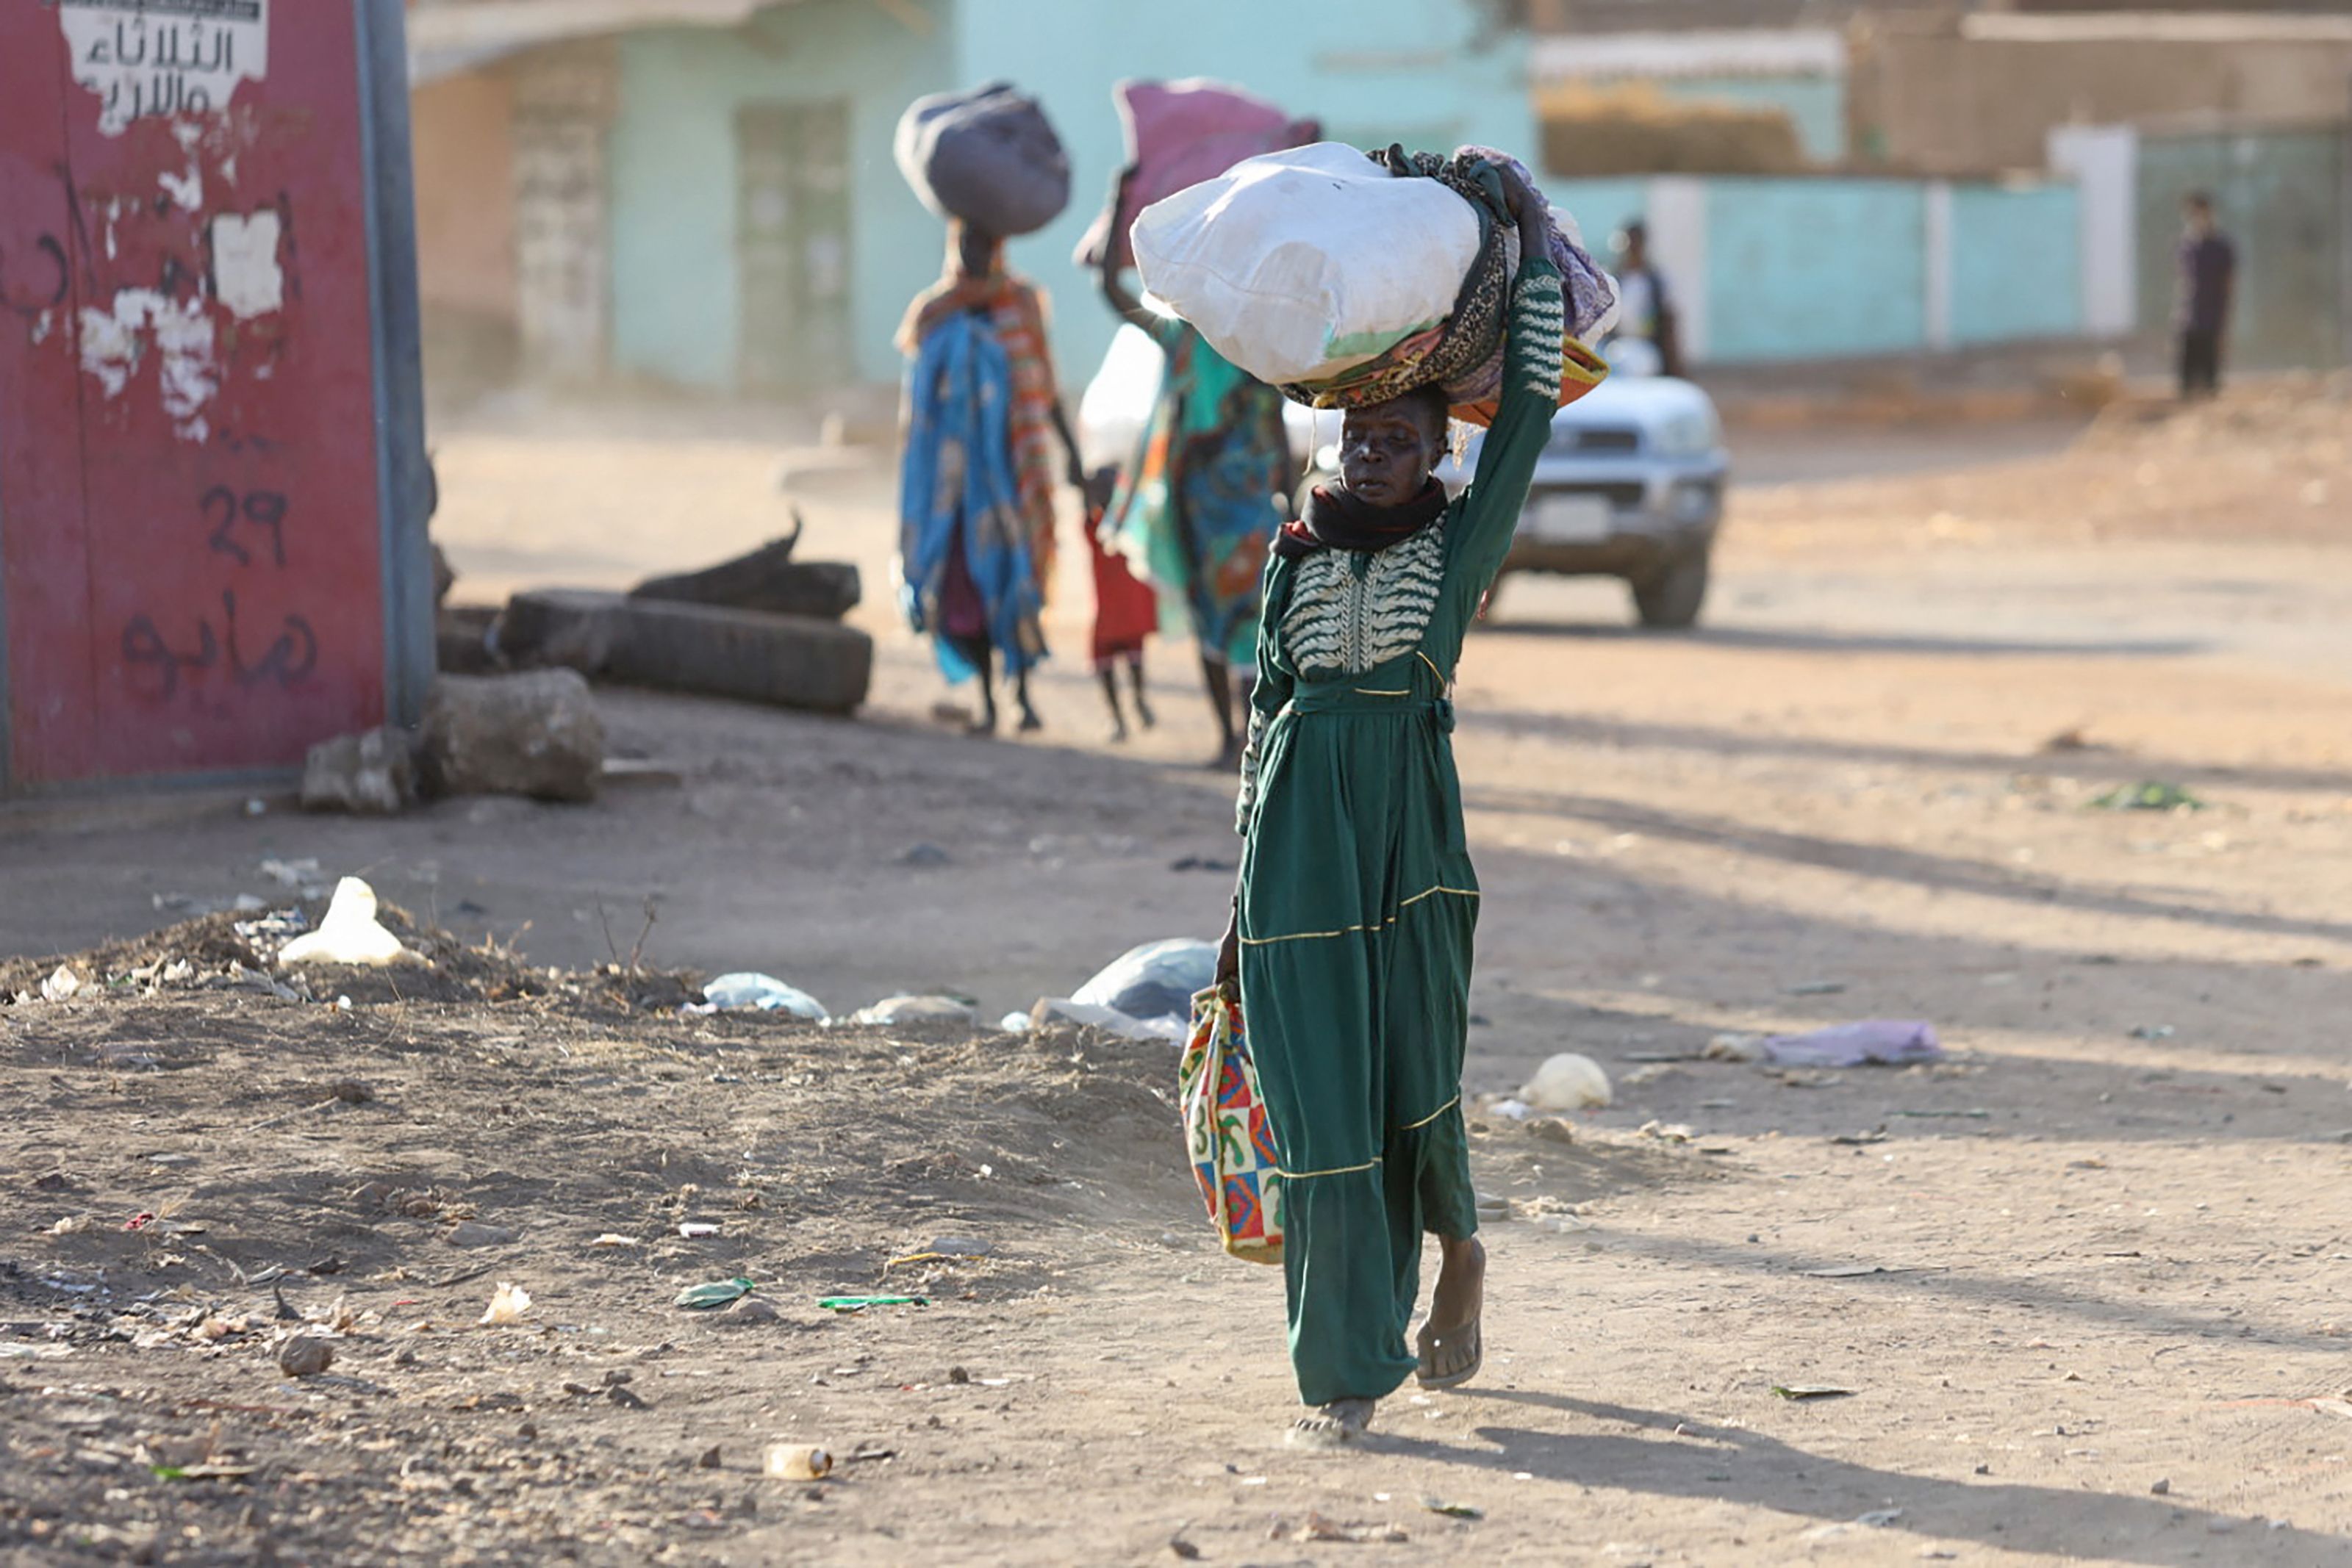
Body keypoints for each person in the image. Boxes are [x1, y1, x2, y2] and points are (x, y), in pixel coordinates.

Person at [1213, 163, 1568, 1447]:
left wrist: (1525, 250)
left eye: (1398, 440)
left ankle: (1459, 1242)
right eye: (1356, 437)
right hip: (1300, 847)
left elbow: (1528, 414)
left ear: (1434, 451)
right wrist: (1239, 899)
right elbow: (1264, 721)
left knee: (1411, 1074)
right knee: (1319, 1102)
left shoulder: (1454, 549)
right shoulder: (1290, 558)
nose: (1371, 455)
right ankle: (1345, 1368)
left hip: (1411, 835)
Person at [1097, 250, 1289, 768]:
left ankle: (1253, 740)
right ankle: (1230, 738)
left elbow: (1273, 427)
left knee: (1250, 620)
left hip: (1248, 511)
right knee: (1211, 622)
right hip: (1196, 510)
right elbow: (1114, 295)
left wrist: (1289, 505)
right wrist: (1118, 215)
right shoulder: (1183, 340)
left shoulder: (1254, 351)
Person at [898, 222, 1088, 734]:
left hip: (1016, 476)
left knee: (1018, 577)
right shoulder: (934, 313)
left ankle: (1021, 691)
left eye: (984, 242)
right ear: (953, 245)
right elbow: (916, 410)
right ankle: (986, 699)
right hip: (956, 488)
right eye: (967, 243)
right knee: (967, 591)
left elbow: (1045, 387)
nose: (976, 252)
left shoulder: (1022, 306)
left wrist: (1071, 456)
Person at [1083, 464, 1158, 741]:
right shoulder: (1095, 527)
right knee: (1105, 665)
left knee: (1134, 664)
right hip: (1108, 613)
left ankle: (1137, 702)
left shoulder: (1129, 525)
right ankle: (1116, 716)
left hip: (1128, 613)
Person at [2176, 192, 2236, 401]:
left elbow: (2229, 284)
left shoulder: (2221, 247)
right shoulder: (2187, 245)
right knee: (2186, 382)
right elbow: (2185, 282)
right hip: (2189, 318)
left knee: (2210, 381)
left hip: (2212, 317)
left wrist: (2225, 322)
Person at [1610, 218, 1682, 379]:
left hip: (1647, 348)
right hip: (1617, 345)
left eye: (1637, 243)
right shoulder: (1614, 279)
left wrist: (1675, 364)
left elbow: (1669, 320)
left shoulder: (1656, 281)